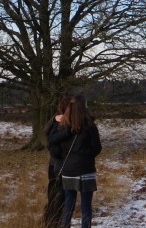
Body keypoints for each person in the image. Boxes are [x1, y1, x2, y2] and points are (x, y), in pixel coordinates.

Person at [47, 94, 103, 228]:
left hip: (68, 170)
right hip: (86, 169)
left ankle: (65, 226)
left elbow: (52, 142)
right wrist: (86, 154)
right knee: (86, 207)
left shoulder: (63, 127)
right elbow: (97, 148)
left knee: (68, 205)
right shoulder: (90, 126)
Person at [43, 96, 73, 228]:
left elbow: (45, 137)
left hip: (54, 163)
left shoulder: (53, 120)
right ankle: (53, 222)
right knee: (60, 195)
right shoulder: (64, 122)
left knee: (54, 194)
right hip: (61, 164)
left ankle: (50, 221)